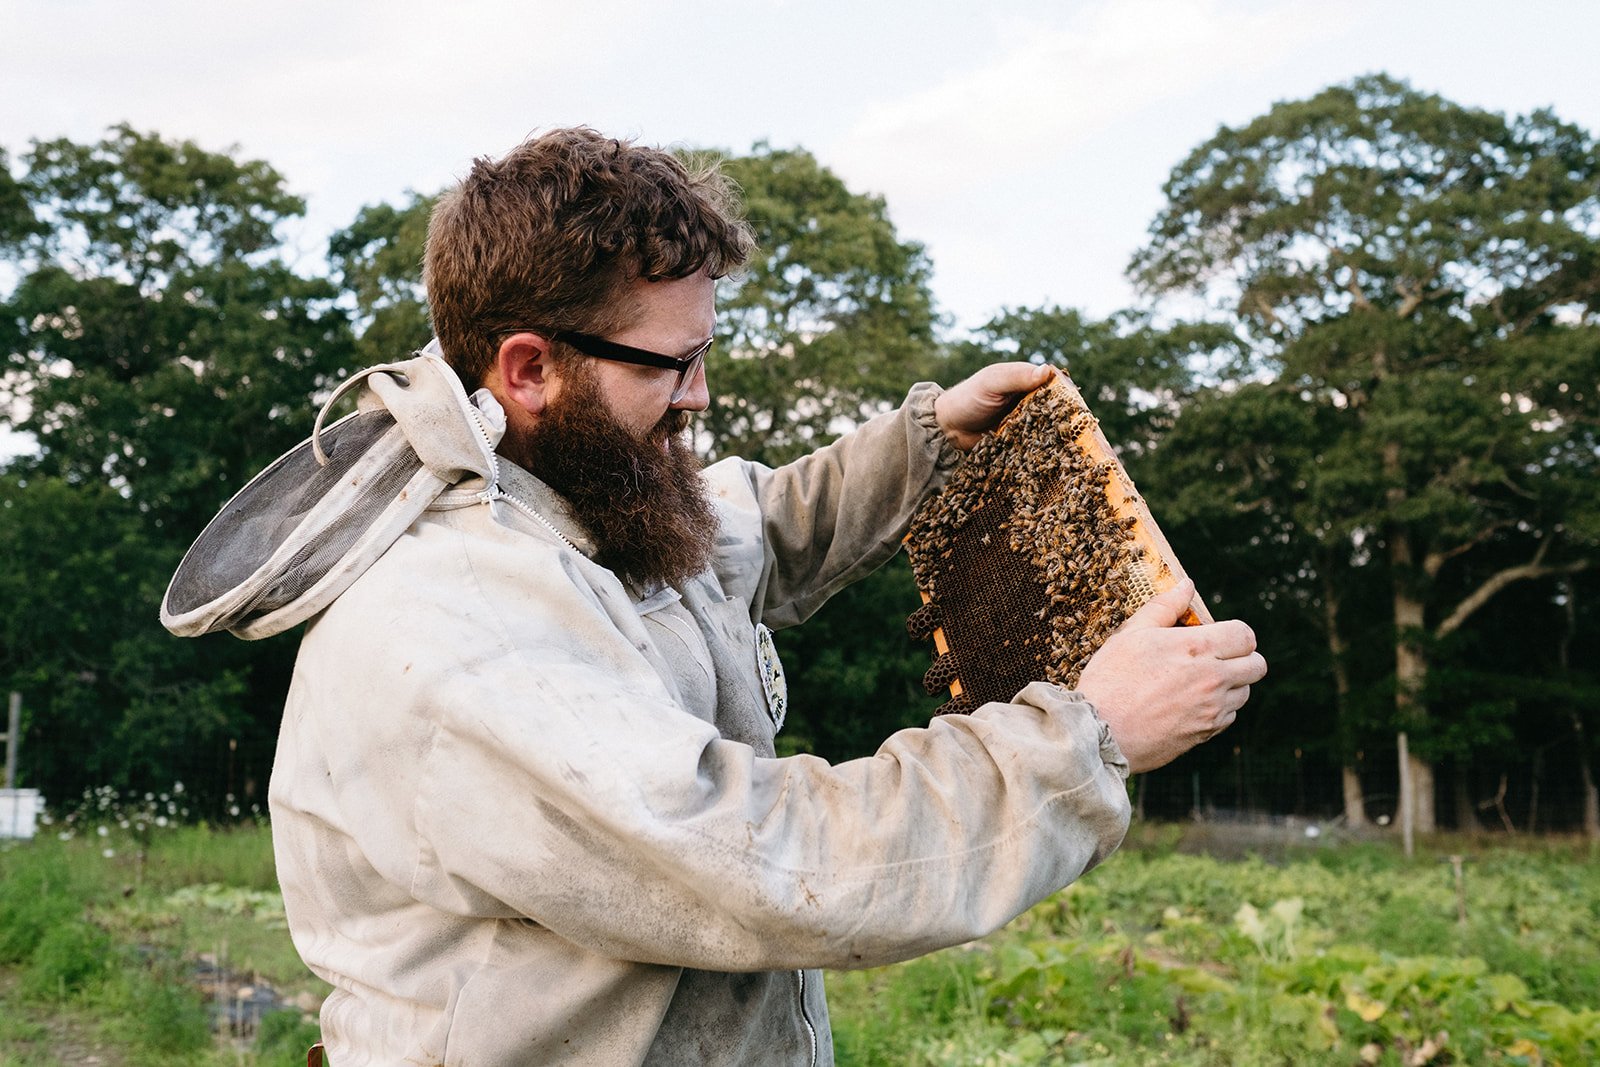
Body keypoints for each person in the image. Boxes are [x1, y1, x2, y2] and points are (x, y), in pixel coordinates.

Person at [163, 128, 1264, 1065]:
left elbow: (744, 529)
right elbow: (768, 861)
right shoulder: (462, 630)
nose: (699, 393)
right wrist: (1085, 735)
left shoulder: (580, 490)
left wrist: (924, 444)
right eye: (670, 363)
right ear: (529, 367)